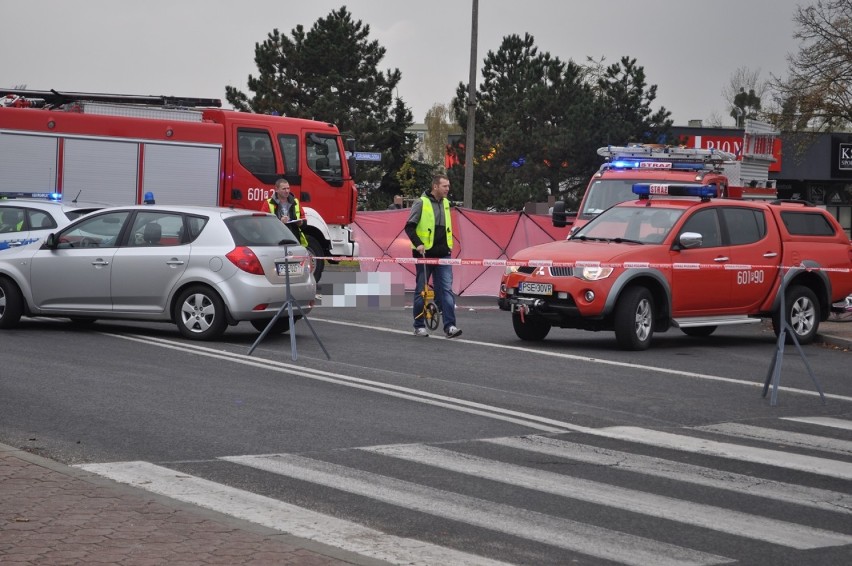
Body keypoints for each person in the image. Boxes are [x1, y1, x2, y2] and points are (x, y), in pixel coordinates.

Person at [404, 174, 462, 338]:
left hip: (443, 254)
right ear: (435, 186)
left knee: (446, 290)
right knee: (422, 291)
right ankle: (419, 325)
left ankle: (450, 326)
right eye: (445, 186)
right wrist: (418, 243)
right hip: (424, 254)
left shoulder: (446, 204)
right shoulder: (421, 203)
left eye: (448, 186)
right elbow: (409, 227)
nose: (448, 189)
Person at [261, 178, 308, 247]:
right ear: (276, 189)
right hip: (276, 241)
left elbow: (304, 221)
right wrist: (279, 222)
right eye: (284, 189)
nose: (287, 191)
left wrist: (301, 223)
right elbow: (262, 223)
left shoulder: (295, 201)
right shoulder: (268, 203)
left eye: (288, 188)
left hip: (294, 240)